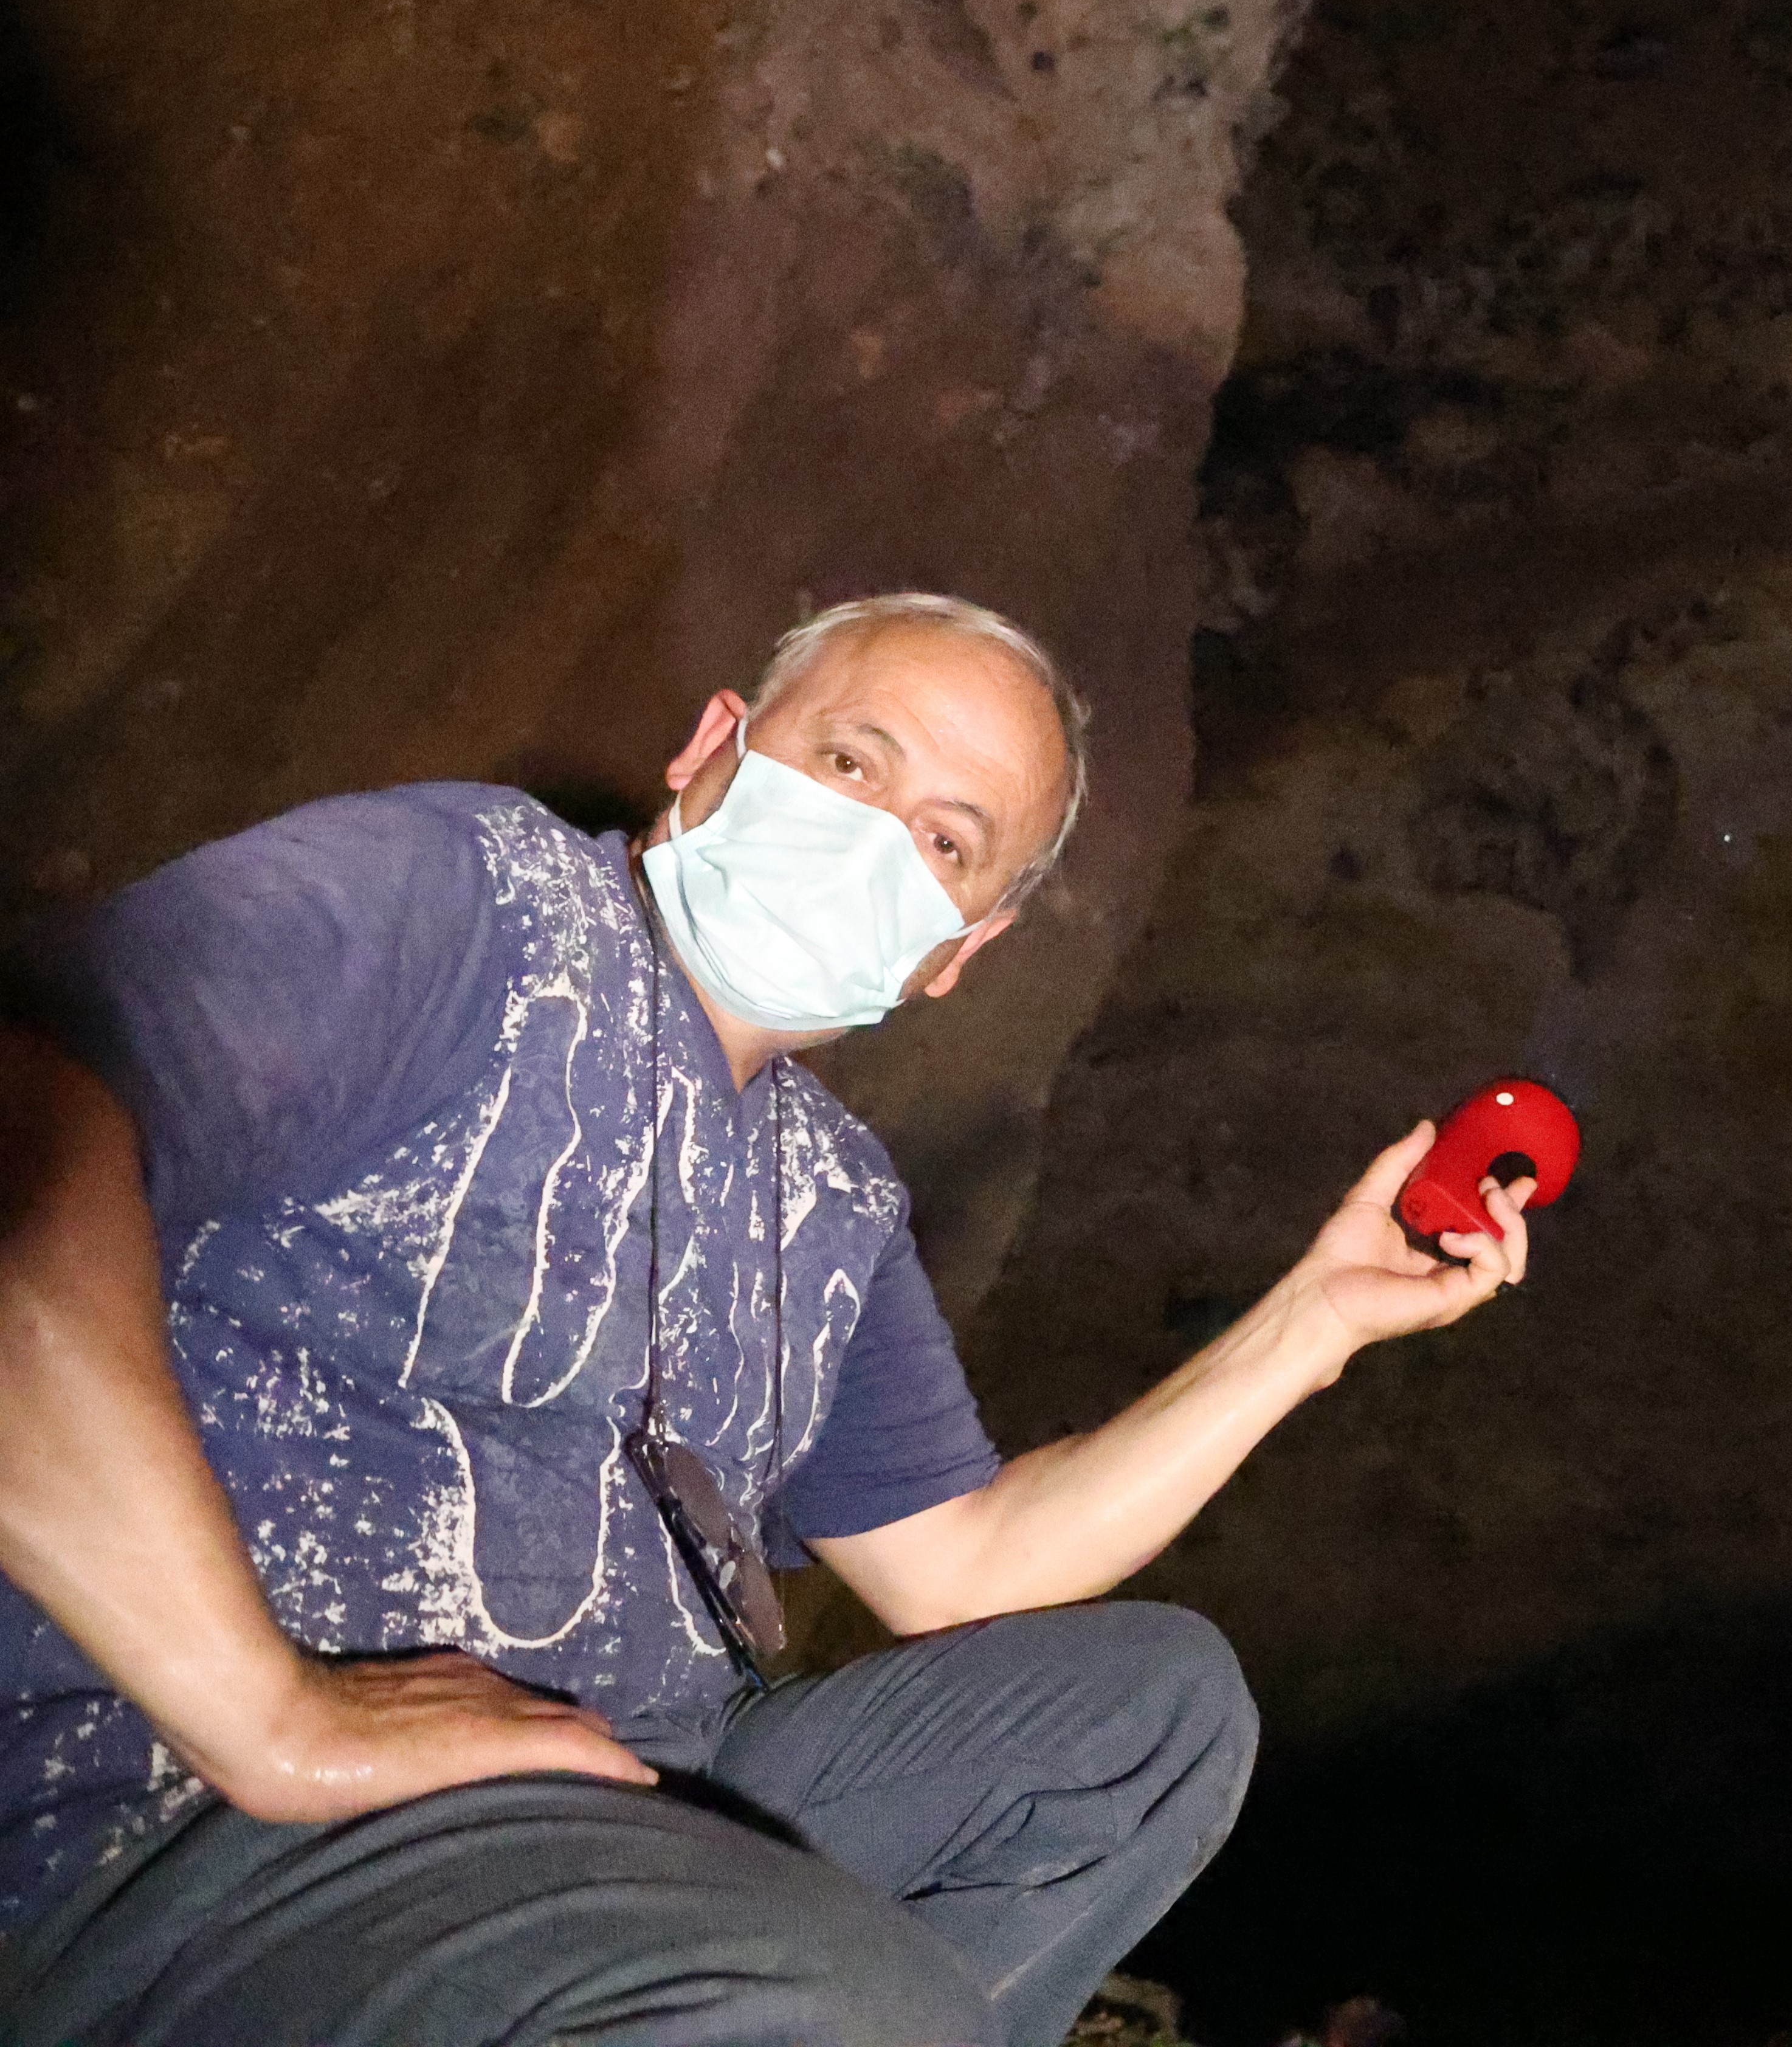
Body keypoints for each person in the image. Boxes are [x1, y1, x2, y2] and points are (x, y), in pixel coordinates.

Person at [0, 592, 1531, 2047]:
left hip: (615, 1793)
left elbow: (962, 1563)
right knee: (855, 2011)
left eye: (945, 840)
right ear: (711, 748)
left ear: (959, 951)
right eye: (852, 760)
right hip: (194, 1812)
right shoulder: (473, 896)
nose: (872, 836)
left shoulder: (832, 1200)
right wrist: (271, 1712)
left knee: (1151, 1715)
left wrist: (1311, 1321)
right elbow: (25, 1146)